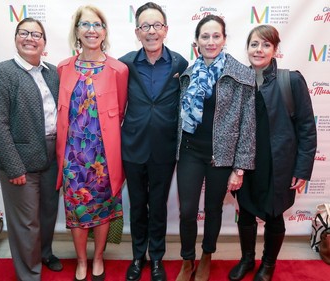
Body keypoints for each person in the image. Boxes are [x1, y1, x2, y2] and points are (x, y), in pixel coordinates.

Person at [228, 25, 317, 281]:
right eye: (254, 44)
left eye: (266, 45)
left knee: (274, 216)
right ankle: (247, 259)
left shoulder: (292, 81)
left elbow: (307, 129)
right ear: (247, 48)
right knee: (245, 212)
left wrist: (302, 169)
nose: (259, 49)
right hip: (244, 163)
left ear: (275, 50)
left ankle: (268, 264)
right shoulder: (237, 81)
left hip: (278, 164)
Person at [175, 15, 256, 281]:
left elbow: (248, 123)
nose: (210, 42)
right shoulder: (188, 74)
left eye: (216, 36)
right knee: (187, 210)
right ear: (196, 41)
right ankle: (187, 260)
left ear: (224, 39)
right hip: (190, 151)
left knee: (213, 209)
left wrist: (240, 167)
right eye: (205, 37)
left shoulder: (240, 73)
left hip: (221, 155)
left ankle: (207, 255)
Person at [0, 17, 62, 281]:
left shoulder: (52, 73)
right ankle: (29, 274)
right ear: (16, 38)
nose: (30, 38)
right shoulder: (1, 73)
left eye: (36, 34)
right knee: (26, 223)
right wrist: (13, 166)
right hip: (19, 160)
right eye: (24, 33)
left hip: (52, 156)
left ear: (44, 43)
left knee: (48, 213)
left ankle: (45, 253)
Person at [55, 5, 129, 281]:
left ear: (104, 31)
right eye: (85, 25)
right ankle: (81, 261)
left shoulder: (118, 69)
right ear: (76, 31)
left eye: (97, 25)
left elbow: (121, 111)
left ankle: (98, 257)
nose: (91, 30)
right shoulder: (63, 68)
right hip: (72, 158)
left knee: (103, 208)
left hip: (104, 158)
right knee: (76, 210)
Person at [119, 2, 188, 281]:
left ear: (166, 30)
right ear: (137, 32)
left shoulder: (179, 63)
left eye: (157, 25)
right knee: (137, 205)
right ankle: (138, 256)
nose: (151, 31)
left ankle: (157, 258)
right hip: (132, 147)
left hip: (164, 148)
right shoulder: (124, 64)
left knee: (158, 205)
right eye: (145, 26)